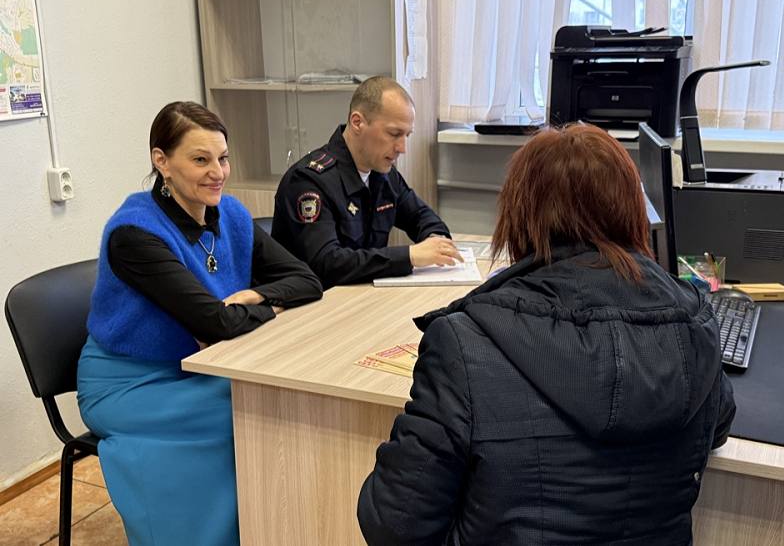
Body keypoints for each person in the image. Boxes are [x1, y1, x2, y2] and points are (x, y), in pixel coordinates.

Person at [357, 123, 735, 545]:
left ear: (518, 216)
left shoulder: (463, 345)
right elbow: (718, 425)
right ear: (633, 211)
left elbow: (393, 525)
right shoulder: (694, 322)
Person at [77, 101, 322, 546]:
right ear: (162, 161)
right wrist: (271, 308)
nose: (217, 172)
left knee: (277, 401)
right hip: (130, 383)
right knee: (257, 413)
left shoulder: (230, 214)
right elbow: (217, 323)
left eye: (223, 158)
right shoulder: (135, 234)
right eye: (200, 159)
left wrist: (255, 297)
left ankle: (273, 528)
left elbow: (306, 280)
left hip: (206, 365)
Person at [271, 76, 462, 289]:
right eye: (394, 134)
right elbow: (327, 264)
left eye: (407, 135)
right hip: (316, 303)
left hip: (363, 297)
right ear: (357, 123)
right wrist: (409, 256)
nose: (402, 148)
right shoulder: (309, 181)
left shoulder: (383, 174)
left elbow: (421, 216)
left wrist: (436, 242)